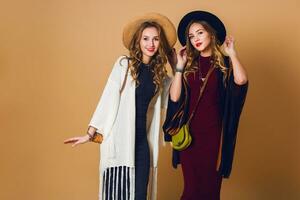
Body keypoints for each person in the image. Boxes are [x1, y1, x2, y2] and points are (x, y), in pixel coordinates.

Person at [64, 13, 176, 200]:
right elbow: (107, 98)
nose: (151, 44)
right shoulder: (125, 65)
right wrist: (90, 133)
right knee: (119, 194)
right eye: (146, 39)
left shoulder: (160, 75)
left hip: (142, 144)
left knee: (140, 194)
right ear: (138, 42)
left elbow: (175, 97)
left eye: (155, 39)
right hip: (120, 143)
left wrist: (175, 67)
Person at [163, 10, 248, 200]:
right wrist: (178, 68)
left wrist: (232, 53)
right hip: (188, 136)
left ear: (211, 33)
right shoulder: (188, 64)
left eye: (200, 32)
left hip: (214, 136)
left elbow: (241, 81)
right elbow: (175, 98)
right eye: (191, 36)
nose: (195, 39)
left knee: (210, 191)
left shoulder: (224, 64)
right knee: (191, 190)